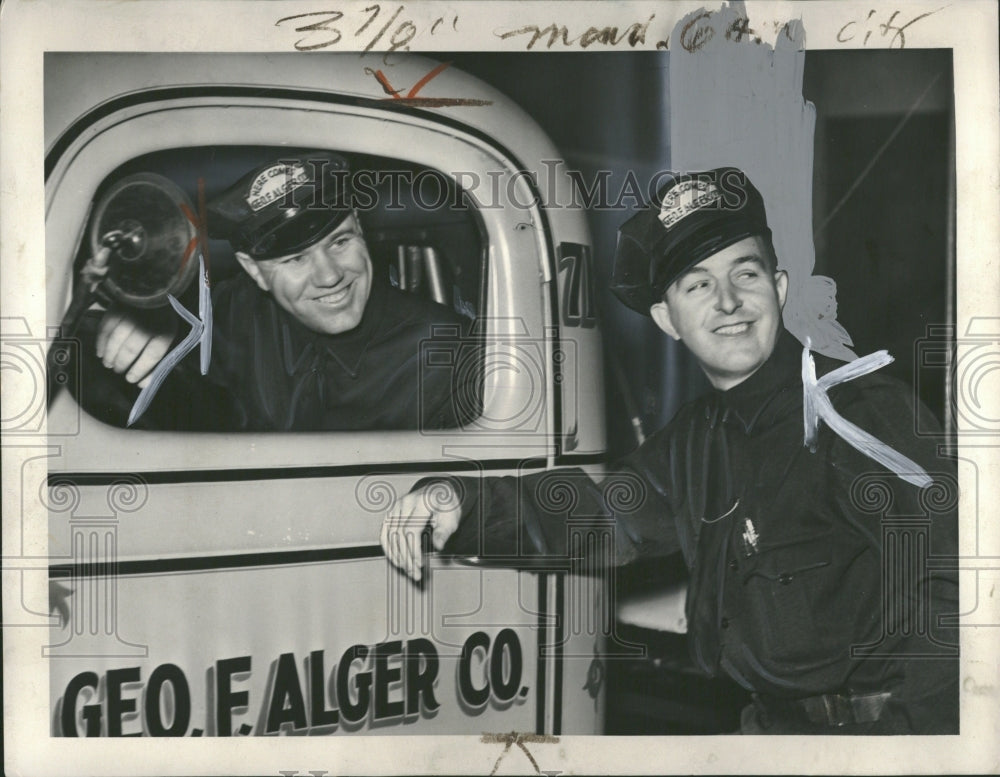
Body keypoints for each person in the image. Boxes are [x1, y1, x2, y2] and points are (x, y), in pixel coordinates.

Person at [381, 167, 959, 734]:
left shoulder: (859, 411)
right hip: (769, 730)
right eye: (698, 284)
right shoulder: (695, 437)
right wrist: (463, 502)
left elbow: (956, 587)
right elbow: (603, 514)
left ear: (778, 289)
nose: (729, 302)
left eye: (746, 274)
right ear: (668, 319)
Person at [81, 151, 480, 431]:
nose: (329, 277)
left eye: (339, 242)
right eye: (295, 260)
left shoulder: (450, 353)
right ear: (254, 271)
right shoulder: (239, 313)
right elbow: (170, 322)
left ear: (360, 227)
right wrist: (132, 317)